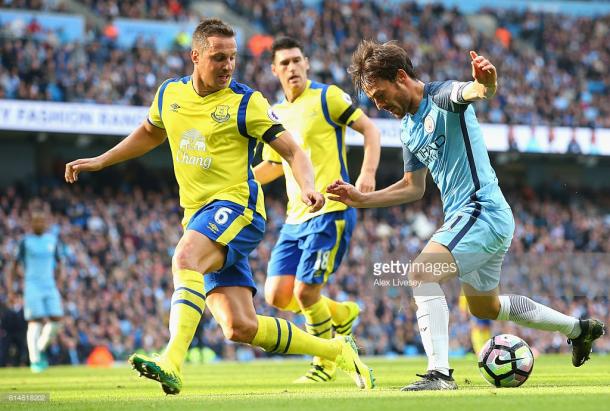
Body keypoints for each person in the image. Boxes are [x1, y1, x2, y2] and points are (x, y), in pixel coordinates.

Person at [64, 18, 374, 395]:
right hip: (198, 216)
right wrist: (100, 160)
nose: (228, 65)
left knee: (184, 259)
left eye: (233, 58)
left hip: (239, 209)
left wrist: (307, 187)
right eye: (218, 57)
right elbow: (149, 133)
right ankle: (337, 350)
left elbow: (292, 151)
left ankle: (172, 360)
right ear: (195, 56)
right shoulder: (169, 95)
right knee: (238, 326)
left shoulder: (247, 102)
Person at [327, 40, 605, 391]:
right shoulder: (409, 129)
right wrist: (359, 200)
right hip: (474, 219)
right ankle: (578, 329)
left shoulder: (442, 96)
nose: (379, 106)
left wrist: (486, 81)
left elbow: (475, 91)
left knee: (421, 273)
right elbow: (413, 187)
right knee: (485, 308)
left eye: (379, 95)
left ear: (400, 76)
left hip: (481, 210)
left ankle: (439, 375)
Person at [254, 36, 380, 383]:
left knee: (305, 293)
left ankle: (324, 364)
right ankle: (342, 313)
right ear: (274, 70)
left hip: (330, 210)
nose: (292, 67)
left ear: (306, 62)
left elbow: (370, 130)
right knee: (277, 295)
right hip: (295, 218)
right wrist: (238, 182)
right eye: (284, 63)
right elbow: (273, 166)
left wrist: (366, 173)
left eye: (297, 60)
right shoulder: (275, 114)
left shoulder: (328, 97)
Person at [10, 210, 64, 373]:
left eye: (42, 221)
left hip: (49, 285)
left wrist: (58, 282)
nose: (39, 224)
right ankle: (35, 361)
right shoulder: (25, 242)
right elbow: (13, 266)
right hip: (32, 285)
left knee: (56, 320)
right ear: (31, 224)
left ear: (46, 223)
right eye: (36, 221)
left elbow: (59, 263)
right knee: (36, 321)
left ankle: (39, 347)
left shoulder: (52, 241)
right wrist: (12, 288)